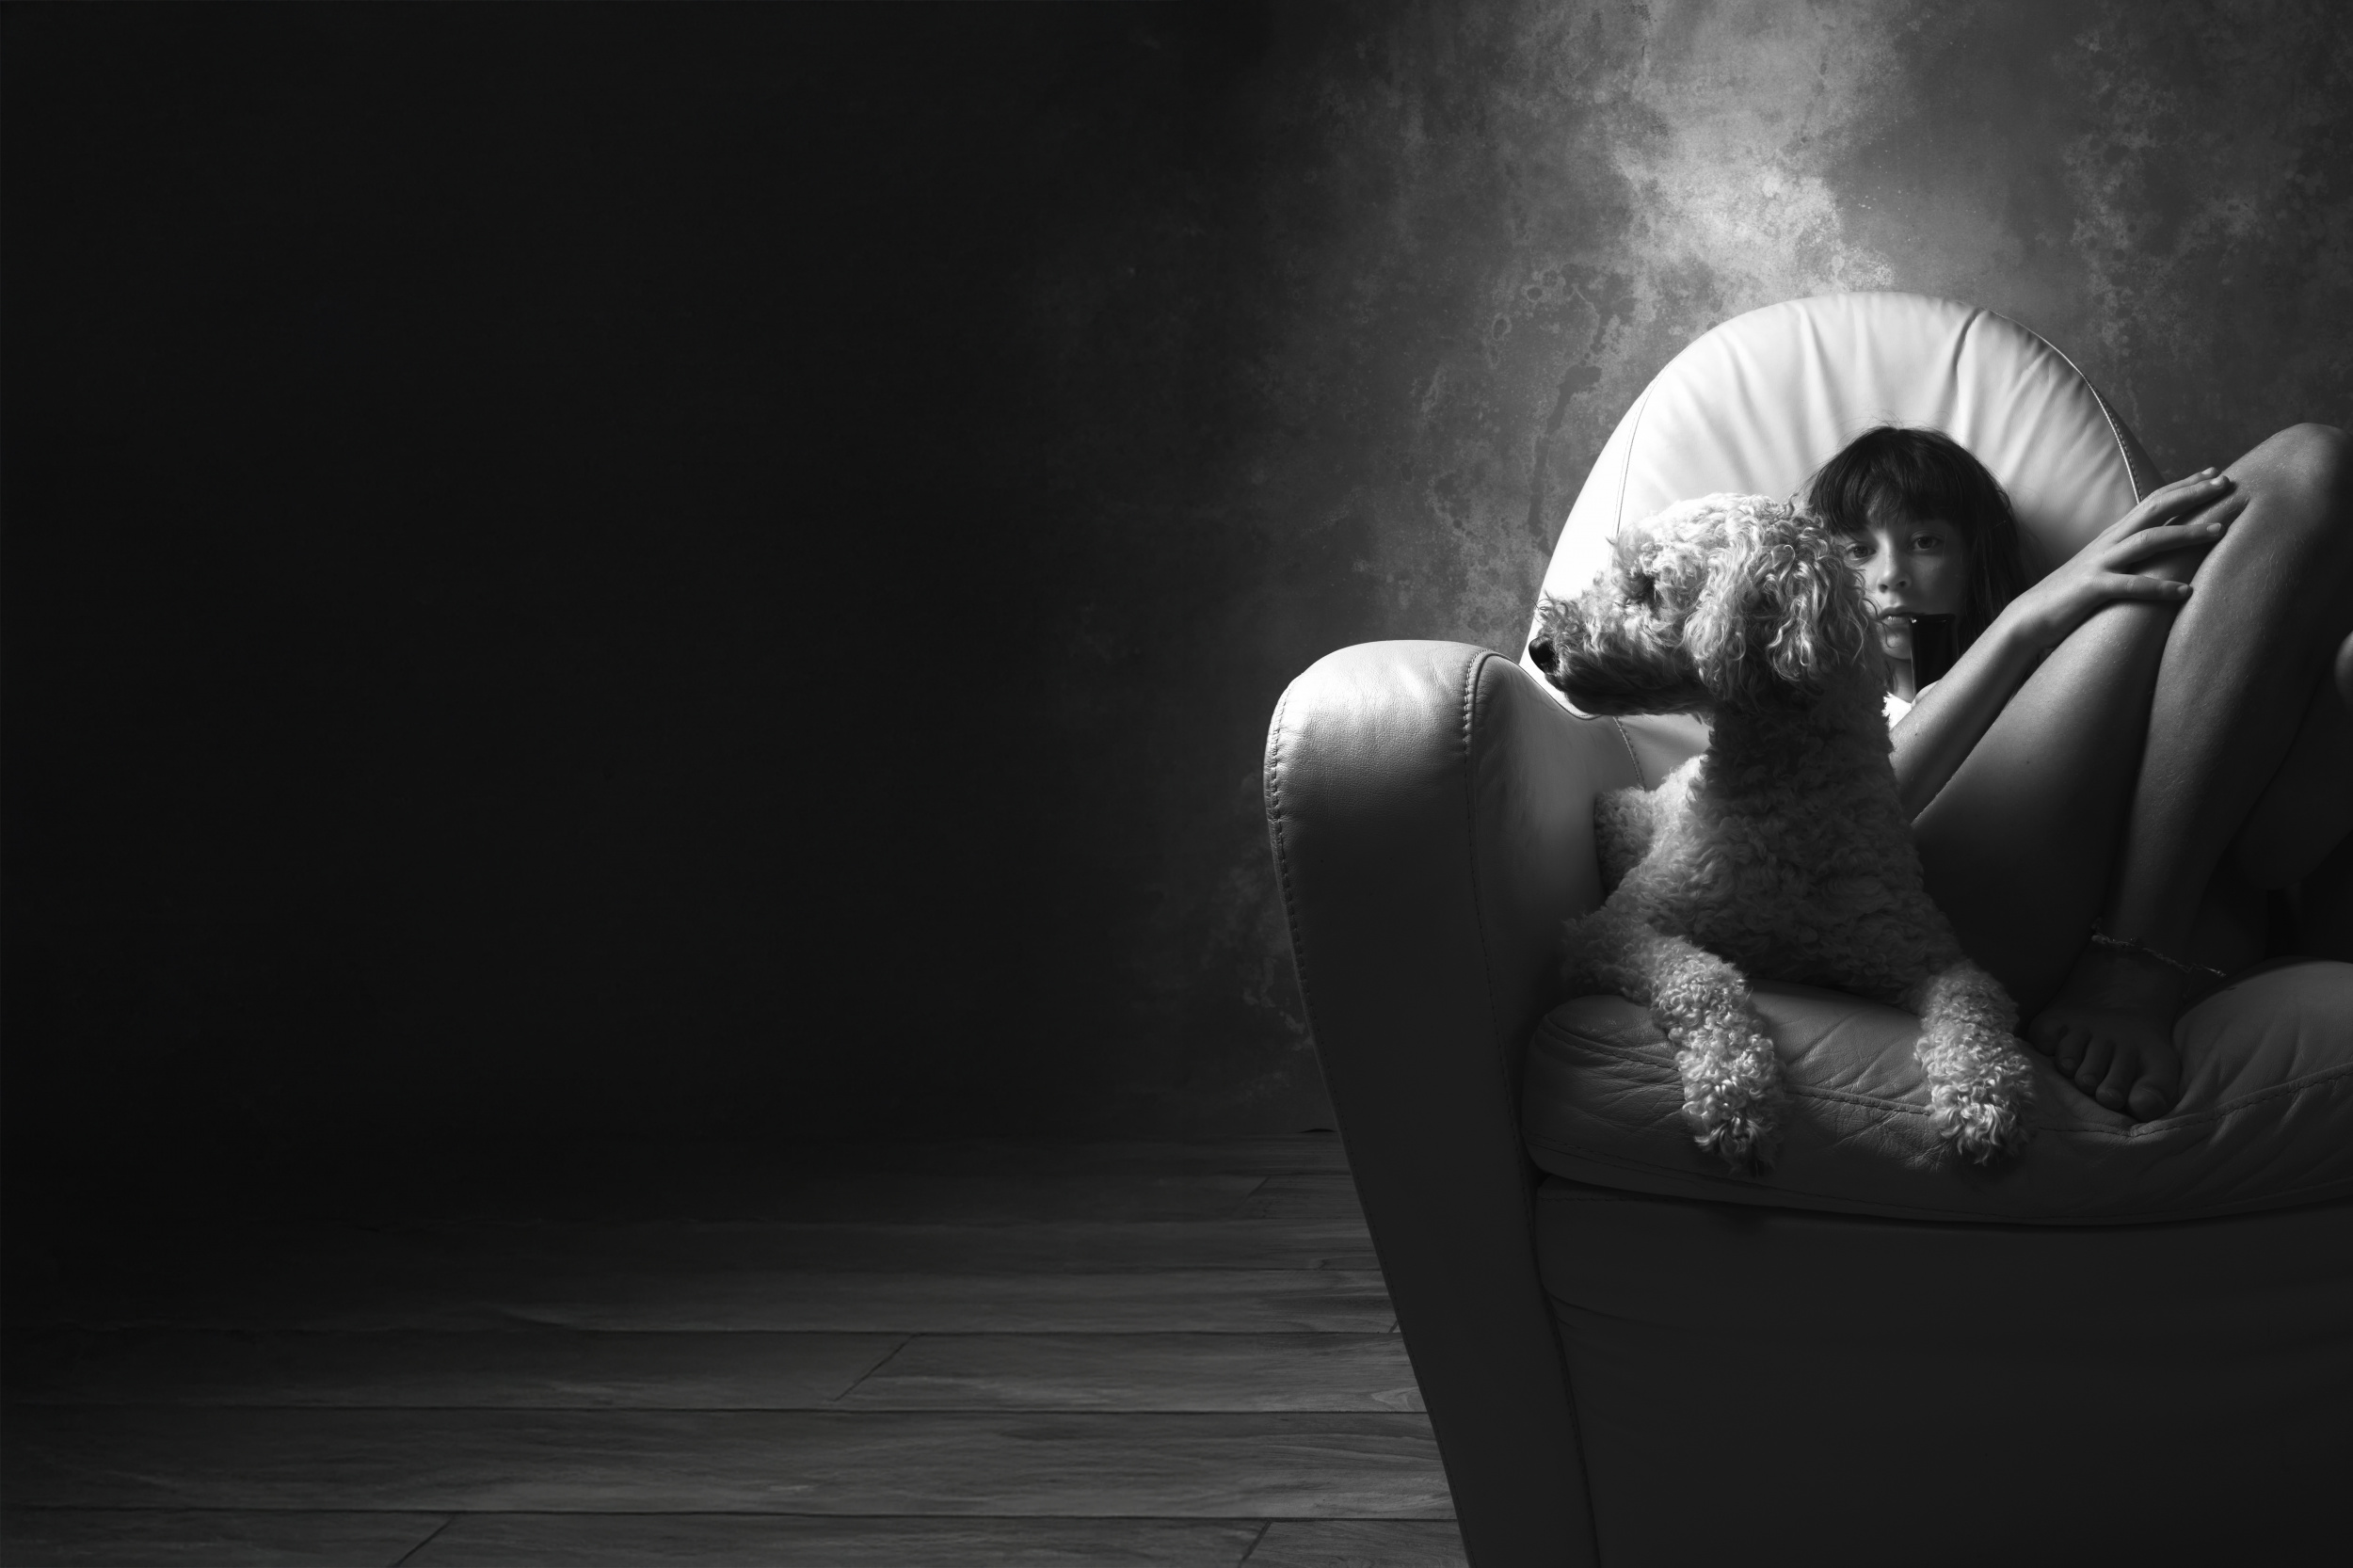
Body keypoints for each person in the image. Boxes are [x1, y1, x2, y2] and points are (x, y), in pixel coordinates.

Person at [1806, 424, 2353, 1122]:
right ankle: (2136, 959)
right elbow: (1838, 826)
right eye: (1858, 550)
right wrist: (2021, 622)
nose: (1891, 574)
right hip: (1944, 922)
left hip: (2190, 889)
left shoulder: (2060, 685)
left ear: (1975, 556)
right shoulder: (1816, 700)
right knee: (2306, 459)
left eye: (1925, 541)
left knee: (2321, 477)